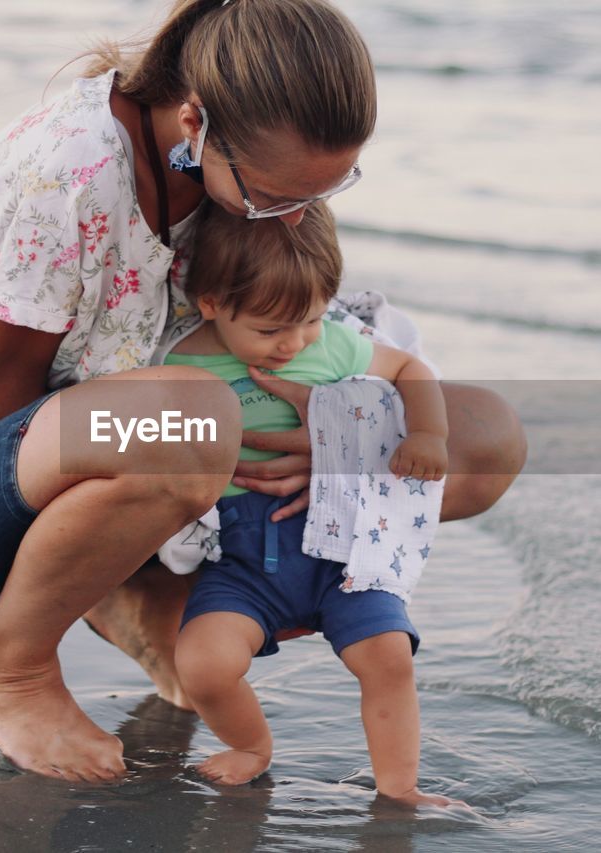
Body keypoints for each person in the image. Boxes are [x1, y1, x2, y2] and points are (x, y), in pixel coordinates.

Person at [0, 0, 526, 784]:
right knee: (193, 419)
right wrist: (140, 510)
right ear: (195, 122)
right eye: (276, 196)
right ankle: (13, 660)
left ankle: (140, 581)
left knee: (485, 435)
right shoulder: (69, 170)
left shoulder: (237, 175)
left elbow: (349, 352)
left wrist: (337, 444)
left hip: (184, 494)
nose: (298, 217)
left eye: (326, 190)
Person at [167, 203, 452, 806]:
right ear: (212, 302)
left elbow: (410, 368)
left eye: (313, 320)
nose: (293, 343)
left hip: (345, 556)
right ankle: (250, 746)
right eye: (270, 331)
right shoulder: (177, 362)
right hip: (242, 564)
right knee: (203, 664)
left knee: (389, 656)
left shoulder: (333, 348)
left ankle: (400, 788)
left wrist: (427, 435)